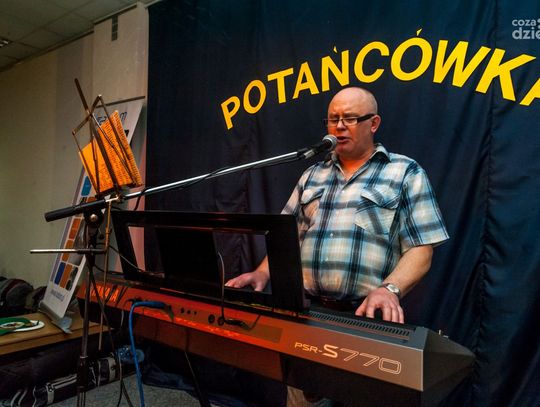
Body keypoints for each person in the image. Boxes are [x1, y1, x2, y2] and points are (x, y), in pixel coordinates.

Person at [226, 86, 449, 324]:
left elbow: (421, 249)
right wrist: (262, 272)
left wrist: (390, 290)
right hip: (305, 309)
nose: (339, 126)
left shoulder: (405, 172)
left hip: (366, 312)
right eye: (333, 119)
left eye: (350, 118)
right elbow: (287, 238)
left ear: (373, 124)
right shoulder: (312, 175)